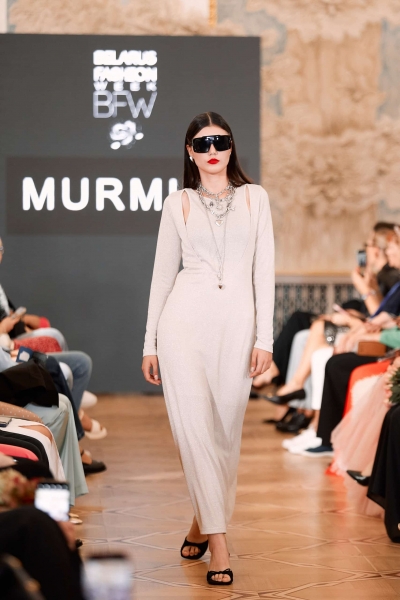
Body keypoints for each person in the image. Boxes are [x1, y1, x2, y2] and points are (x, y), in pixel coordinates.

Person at [142, 112, 274, 586]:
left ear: (231, 146)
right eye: (202, 143)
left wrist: (265, 339)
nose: (213, 150)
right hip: (182, 326)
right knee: (194, 433)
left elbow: (264, 273)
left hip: (237, 328)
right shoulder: (177, 203)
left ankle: (201, 521)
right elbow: (162, 276)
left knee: (225, 436)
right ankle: (219, 545)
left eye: (221, 141)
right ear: (190, 152)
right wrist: (150, 342)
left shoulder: (256, 198)